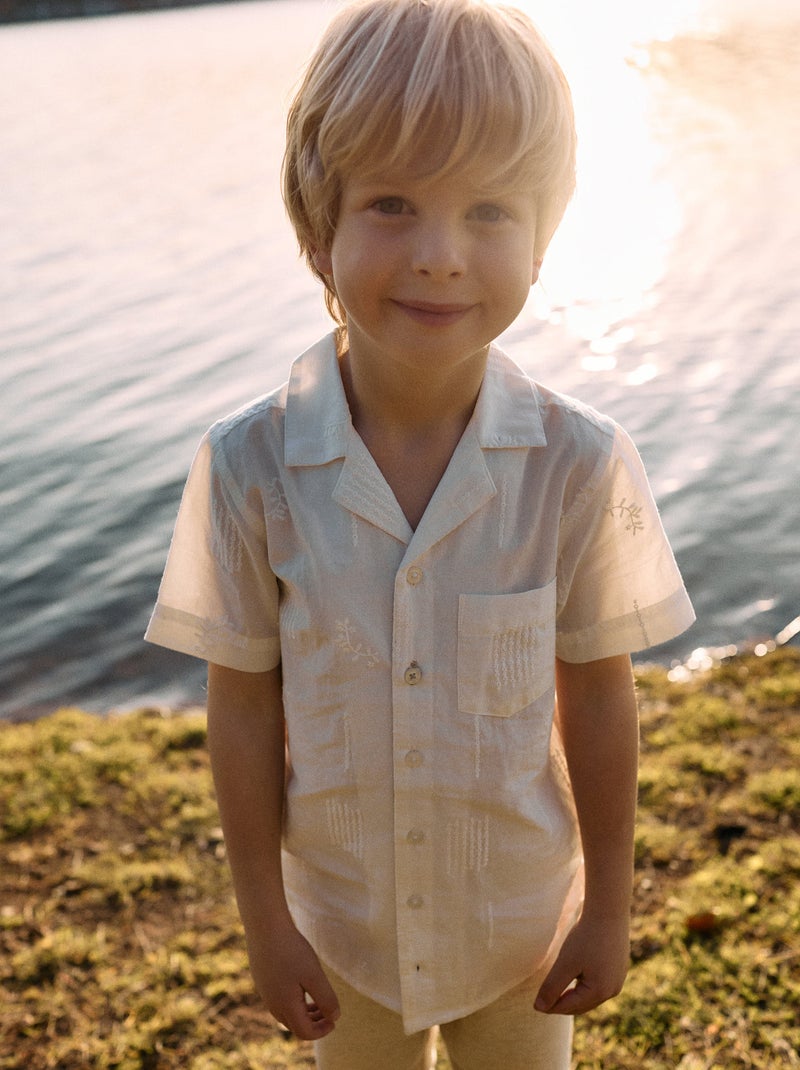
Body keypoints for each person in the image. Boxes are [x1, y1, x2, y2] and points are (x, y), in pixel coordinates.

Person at [145, 0, 695, 1066]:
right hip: (340, 932)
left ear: (545, 236)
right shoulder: (248, 469)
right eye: (392, 203)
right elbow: (244, 702)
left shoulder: (577, 463)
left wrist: (608, 903)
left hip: (519, 927)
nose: (440, 255)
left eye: (490, 210)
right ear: (317, 227)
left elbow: (598, 688)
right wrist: (266, 919)